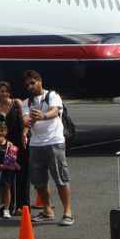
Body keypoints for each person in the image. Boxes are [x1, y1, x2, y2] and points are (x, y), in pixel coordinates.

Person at [22, 70, 74, 225]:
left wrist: (42, 116)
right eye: (27, 85)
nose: (30, 86)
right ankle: (47, 210)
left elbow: (55, 111)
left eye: (33, 83)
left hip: (54, 142)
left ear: (40, 81)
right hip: (36, 144)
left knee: (60, 178)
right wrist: (27, 124)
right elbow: (25, 119)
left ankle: (67, 212)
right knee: (39, 182)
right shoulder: (27, 103)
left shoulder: (52, 95)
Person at [0, 81, 28, 214]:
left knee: (22, 174)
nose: (4, 93)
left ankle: (23, 205)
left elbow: (24, 121)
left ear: (9, 92)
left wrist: (24, 134)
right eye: (1, 91)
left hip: (18, 143)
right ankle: (8, 206)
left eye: (6, 91)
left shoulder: (16, 103)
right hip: (4, 146)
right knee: (8, 177)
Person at [0, 121, 20, 219]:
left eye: (2, 131)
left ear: (6, 132)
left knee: (7, 188)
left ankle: (6, 210)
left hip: (7, 170)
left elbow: (12, 157)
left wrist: (14, 165)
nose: (0, 133)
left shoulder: (9, 144)